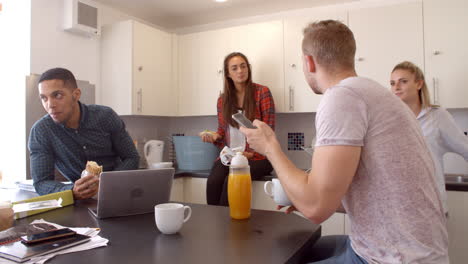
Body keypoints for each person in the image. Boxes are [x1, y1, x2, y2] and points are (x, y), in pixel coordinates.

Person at [240, 20, 448, 263]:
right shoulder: (375, 93)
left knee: (280, 255)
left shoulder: (342, 97)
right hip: (409, 249)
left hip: (395, 257)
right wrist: (305, 198)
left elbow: (316, 208)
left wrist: (270, 146)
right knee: (290, 249)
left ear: (309, 62)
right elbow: (372, 192)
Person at [29, 68, 140, 199]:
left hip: (119, 194)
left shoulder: (105, 116)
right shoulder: (41, 131)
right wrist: (72, 190)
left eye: (57, 95)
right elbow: (41, 182)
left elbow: (132, 157)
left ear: (76, 94)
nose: (50, 104)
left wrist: (108, 183)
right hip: (80, 201)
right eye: (44, 98)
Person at [390, 61, 468, 215]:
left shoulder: (437, 117)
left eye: (403, 81)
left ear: (419, 84)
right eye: (392, 83)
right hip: (399, 207)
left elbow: (465, 148)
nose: (396, 87)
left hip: (431, 206)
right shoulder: (390, 120)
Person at [200, 52, 275, 206]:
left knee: (231, 181)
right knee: (213, 181)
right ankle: (215, 223)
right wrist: (214, 137)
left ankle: (228, 226)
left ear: (248, 68)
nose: (240, 71)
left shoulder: (262, 93)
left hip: (259, 158)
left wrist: (251, 154)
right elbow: (222, 133)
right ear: (228, 74)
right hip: (231, 156)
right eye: (234, 68)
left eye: (243, 66)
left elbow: (269, 133)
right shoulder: (223, 100)